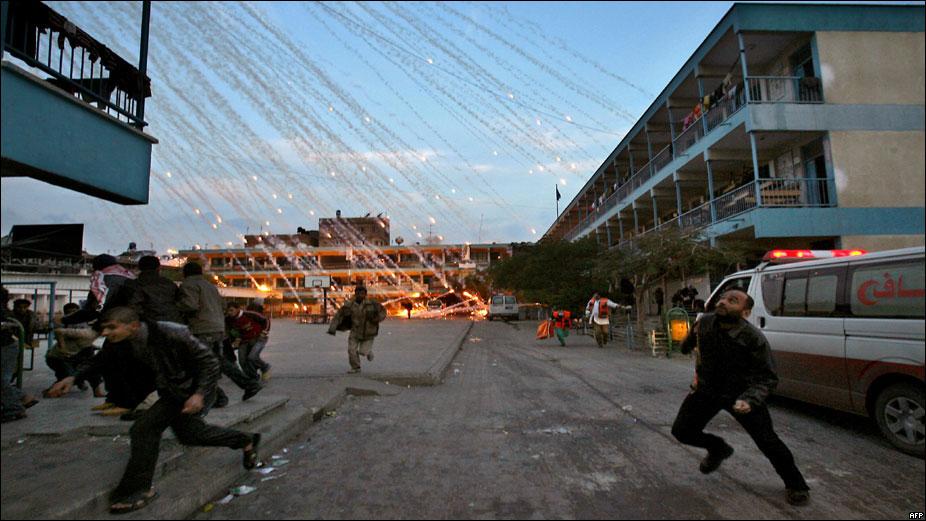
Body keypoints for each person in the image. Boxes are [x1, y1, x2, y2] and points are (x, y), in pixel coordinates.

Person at [47, 307, 262, 514]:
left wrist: (199, 394)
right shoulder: (119, 341)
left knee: (144, 429)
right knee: (191, 434)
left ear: (132, 325)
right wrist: (73, 377)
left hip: (193, 390)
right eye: (104, 328)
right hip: (172, 391)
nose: (106, 333)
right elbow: (101, 361)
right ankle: (246, 440)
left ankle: (139, 489)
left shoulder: (171, 333)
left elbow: (210, 363)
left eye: (112, 327)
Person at [671, 288, 810, 506]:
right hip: (707, 390)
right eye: (721, 299)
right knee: (681, 431)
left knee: (768, 441)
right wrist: (689, 339)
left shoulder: (754, 338)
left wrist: (751, 399)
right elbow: (686, 347)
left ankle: (796, 485)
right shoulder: (705, 322)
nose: (723, 302)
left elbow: (768, 378)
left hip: (741, 395)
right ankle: (718, 448)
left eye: (732, 301)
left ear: (745, 312)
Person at [178, 262, 261, 406]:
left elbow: (190, 305)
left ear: (185, 273)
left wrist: (176, 306)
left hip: (202, 329)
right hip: (218, 328)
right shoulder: (210, 286)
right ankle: (243, 387)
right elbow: (223, 306)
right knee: (218, 361)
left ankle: (218, 396)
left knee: (200, 362)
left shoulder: (188, 284)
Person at [45, 302, 104, 398]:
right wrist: (63, 348)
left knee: (92, 368)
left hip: (75, 353)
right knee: (67, 375)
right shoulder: (86, 333)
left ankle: (95, 390)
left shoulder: (87, 329)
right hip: (58, 357)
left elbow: (84, 342)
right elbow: (58, 331)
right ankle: (53, 391)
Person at [327, 285, 386, 374]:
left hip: (368, 332)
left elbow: (383, 312)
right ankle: (356, 367)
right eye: (358, 293)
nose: (360, 295)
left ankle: (367, 352)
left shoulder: (372, 304)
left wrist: (376, 319)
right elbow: (339, 315)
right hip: (355, 331)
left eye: (362, 293)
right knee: (351, 350)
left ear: (365, 294)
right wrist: (333, 327)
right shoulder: (349, 305)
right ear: (355, 294)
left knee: (362, 352)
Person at [2, 287, 38, 423]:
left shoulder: (4, 313)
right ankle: (22, 398)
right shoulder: (7, 312)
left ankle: (15, 407)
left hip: (5, 346)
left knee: (2, 380)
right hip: (9, 345)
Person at [225, 302, 270, 382]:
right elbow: (230, 332)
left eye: (231, 310)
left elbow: (265, 320)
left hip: (258, 339)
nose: (229, 313)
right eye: (228, 311)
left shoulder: (249, 314)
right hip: (244, 341)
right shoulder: (228, 320)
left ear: (238, 309)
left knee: (252, 357)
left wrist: (264, 332)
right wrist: (233, 342)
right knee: (242, 360)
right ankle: (253, 376)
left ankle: (265, 367)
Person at [130, 256, 182, 323]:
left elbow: (133, 306)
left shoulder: (134, 284)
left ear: (139, 267)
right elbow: (179, 300)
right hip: (173, 322)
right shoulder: (169, 283)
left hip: (149, 325)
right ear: (158, 267)